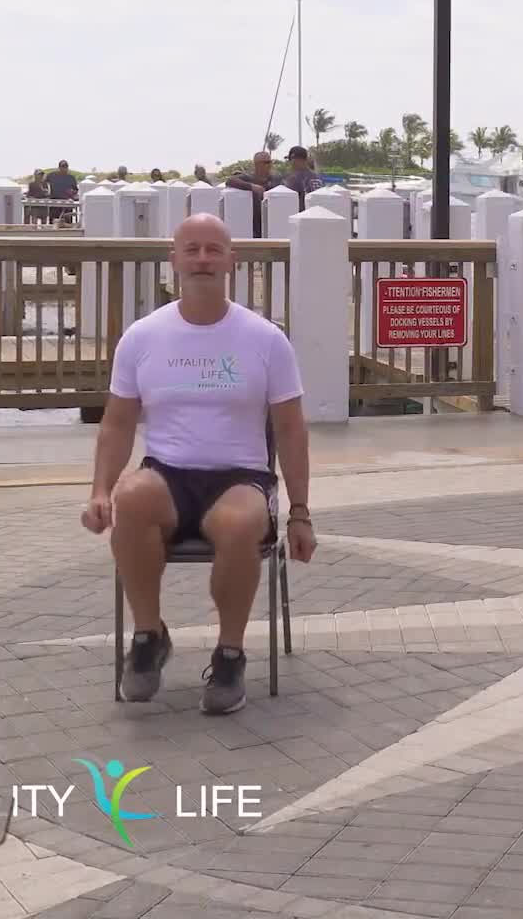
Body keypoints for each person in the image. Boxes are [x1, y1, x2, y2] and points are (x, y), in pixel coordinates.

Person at [81, 213, 317, 714]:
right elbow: (118, 422)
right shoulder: (143, 337)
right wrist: (100, 490)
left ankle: (229, 654)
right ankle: (149, 637)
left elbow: (292, 429)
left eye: (214, 249)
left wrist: (300, 511)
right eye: (192, 249)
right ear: (174, 260)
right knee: (131, 498)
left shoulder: (265, 339)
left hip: (240, 477)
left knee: (237, 524)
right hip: (167, 473)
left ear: (231, 260)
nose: (203, 259)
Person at [225, 146, 321, 237]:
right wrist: (251, 186)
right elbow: (230, 180)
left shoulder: (277, 179)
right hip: (254, 226)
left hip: (274, 225)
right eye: (266, 162)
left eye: (270, 162)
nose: (269, 164)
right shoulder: (248, 178)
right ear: (257, 164)